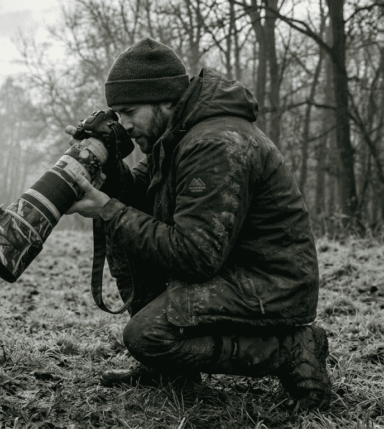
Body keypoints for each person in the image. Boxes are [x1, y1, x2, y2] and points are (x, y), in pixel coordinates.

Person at [64, 38, 331, 411]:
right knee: (123, 231)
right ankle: (170, 370)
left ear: (165, 99)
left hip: (271, 282)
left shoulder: (214, 142)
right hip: (232, 267)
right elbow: (138, 196)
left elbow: (195, 255)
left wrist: (106, 209)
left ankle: (291, 350)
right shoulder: (173, 135)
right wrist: (105, 165)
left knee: (148, 335)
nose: (124, 125)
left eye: (129, 111)